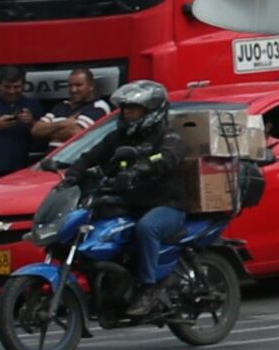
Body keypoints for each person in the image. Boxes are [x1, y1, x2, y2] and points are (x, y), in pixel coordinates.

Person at [63, 77, 203, 285]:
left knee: (146, 228)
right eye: (125, 108)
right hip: (130, 203)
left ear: (151, 111)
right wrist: (72, 174)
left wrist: (141, 168)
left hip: (167, 205)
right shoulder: (119, 136)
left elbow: (167, 157)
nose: (127, 113)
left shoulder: (168, 136)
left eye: (134, 109)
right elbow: (90, 156)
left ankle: (148, 288)